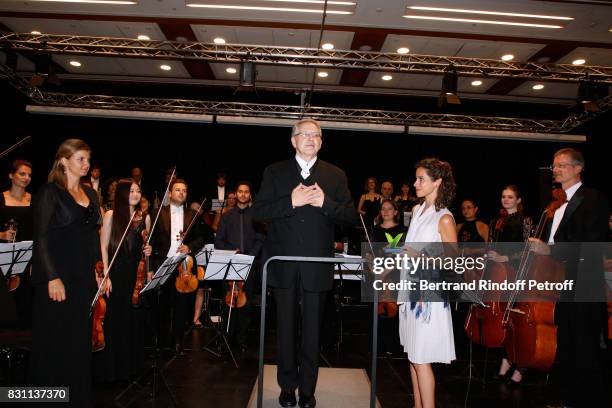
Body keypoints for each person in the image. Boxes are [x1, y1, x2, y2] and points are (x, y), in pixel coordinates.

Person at [253, 118, 357, 408]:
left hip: (316, 266)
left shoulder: (335, 175)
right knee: (285, 330)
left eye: (317, 135)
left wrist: (326, 204)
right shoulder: (274, 172)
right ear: (293, 140)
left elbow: (350, 217)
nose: (311, 139)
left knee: (312, 333)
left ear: (321, 142)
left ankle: (308, 391)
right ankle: (287, 387)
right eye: (305, 134)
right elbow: (258, 213)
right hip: (283, 265)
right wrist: (291, 201)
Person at [29, 139, 108, 407]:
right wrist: (51, 276)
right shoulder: (49, 193)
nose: (86, 165)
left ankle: (75, 397)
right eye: (80, 160)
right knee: (54, 341)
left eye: (87, 160)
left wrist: (99, 270)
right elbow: (39, 238)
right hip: (57, 277)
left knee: (77, 341)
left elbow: (93, 237)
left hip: (82, 278)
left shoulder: (92, 194)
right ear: (64, 161)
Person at [530, 148, 609, 408]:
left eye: (562, 165)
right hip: (565, 284)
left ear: (578, 168)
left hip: (585, 284)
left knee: (585, 349)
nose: (556, 169)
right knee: (567, 348)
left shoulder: (592, 198)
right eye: (554, 165)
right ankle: (568, 400)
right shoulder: (560, 205)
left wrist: (548, 249)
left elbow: (592, 244)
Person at [398, 158, 457, 408]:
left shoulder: (444, 218)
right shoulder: (419, 211)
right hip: (410, 292)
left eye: (421, 179)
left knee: (422, 359)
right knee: (413, 356)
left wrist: (418, 256)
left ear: (438, 183)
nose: (415, 183)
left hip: (428, 299)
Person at [95, 179, 152, 382]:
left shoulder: (143, 218)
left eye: (138, 190)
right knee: (114, 321)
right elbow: (103, 246)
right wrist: (106, 276)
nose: (136, 194)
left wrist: (148, 251)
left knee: (132, 323)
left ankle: (131, 369)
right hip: (116, 275)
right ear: (122, 194)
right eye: (131, 191)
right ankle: (112, 371)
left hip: (134, 277)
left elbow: (144, 249)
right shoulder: (111, 215)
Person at [150, 178, 204, 354]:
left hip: (183, 267)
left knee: (181, 306)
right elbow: (150, 242)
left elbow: (200, 239)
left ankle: (178, 341)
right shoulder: (158, 212)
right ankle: (162, 340)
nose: (181, 193)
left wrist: (189, 247)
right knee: (162, 304)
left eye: (184, 190)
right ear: (170, 193)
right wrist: (151, 267)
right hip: (163, 264)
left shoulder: (192, 214)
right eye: (177, 190)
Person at [487, 185, 533, 386]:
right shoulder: (496, 221)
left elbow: (529, 250)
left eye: (510, 197)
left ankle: (521, 366)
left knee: (516, 320)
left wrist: (506, 256)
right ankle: (505, 359)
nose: (506, 200)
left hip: (517, 273)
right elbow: (490, 245)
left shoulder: (525, 220)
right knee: (502, 320)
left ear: (518, 199)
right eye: (503, 196)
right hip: (499, 275)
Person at [214, 181, 265, 350]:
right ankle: (227, 337)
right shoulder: (227, 216)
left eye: (246, 192)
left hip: (250, 263)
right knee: (228, 302)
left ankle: (242, 339)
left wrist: (250, 256)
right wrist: (231, 251)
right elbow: (218, 240)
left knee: (246, 303)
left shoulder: (257, 216)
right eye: (240, 191)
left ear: (250, 195)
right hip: (230, 263)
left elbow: (260, 239)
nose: (243, 194)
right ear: (235, 194)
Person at [0, 160, 33, 329]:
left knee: (25, 303)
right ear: (11, 175)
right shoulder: (1, 198)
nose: (26, 178)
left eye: (29, 175)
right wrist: (2, 234)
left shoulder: (33, 200)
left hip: (27, 257)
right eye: (22, 173)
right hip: (3, 256)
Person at [371, 199, 407, 356]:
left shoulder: (403, 230)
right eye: (383, 209)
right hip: (378, 272)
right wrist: (374, 268)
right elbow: (369, 253)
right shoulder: (375, 230)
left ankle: (395, 346)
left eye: (389, 208)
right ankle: (377, 346)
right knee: (376, 311)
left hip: (395, 272)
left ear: (396, 212)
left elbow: (403, 253)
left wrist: (385, 271)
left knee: (396, 310)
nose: (385, 211)